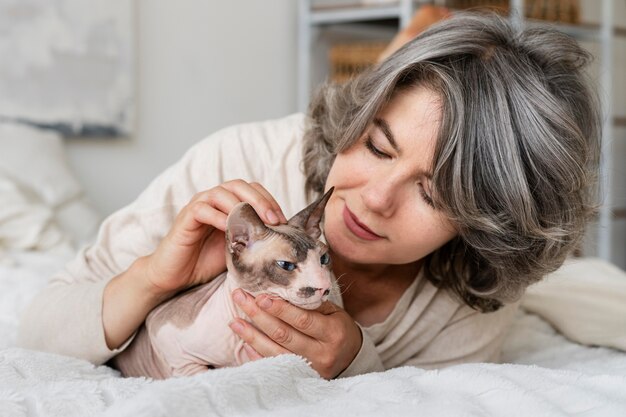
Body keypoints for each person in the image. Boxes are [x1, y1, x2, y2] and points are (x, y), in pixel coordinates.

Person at [18, 9, 600, 380]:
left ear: (486, 226)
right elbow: (37, 336)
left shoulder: (469, 303)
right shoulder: (234, 166)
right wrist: (151, 278)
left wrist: (353, 363)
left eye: (433, 195)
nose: (374, 200)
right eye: (376, 146)